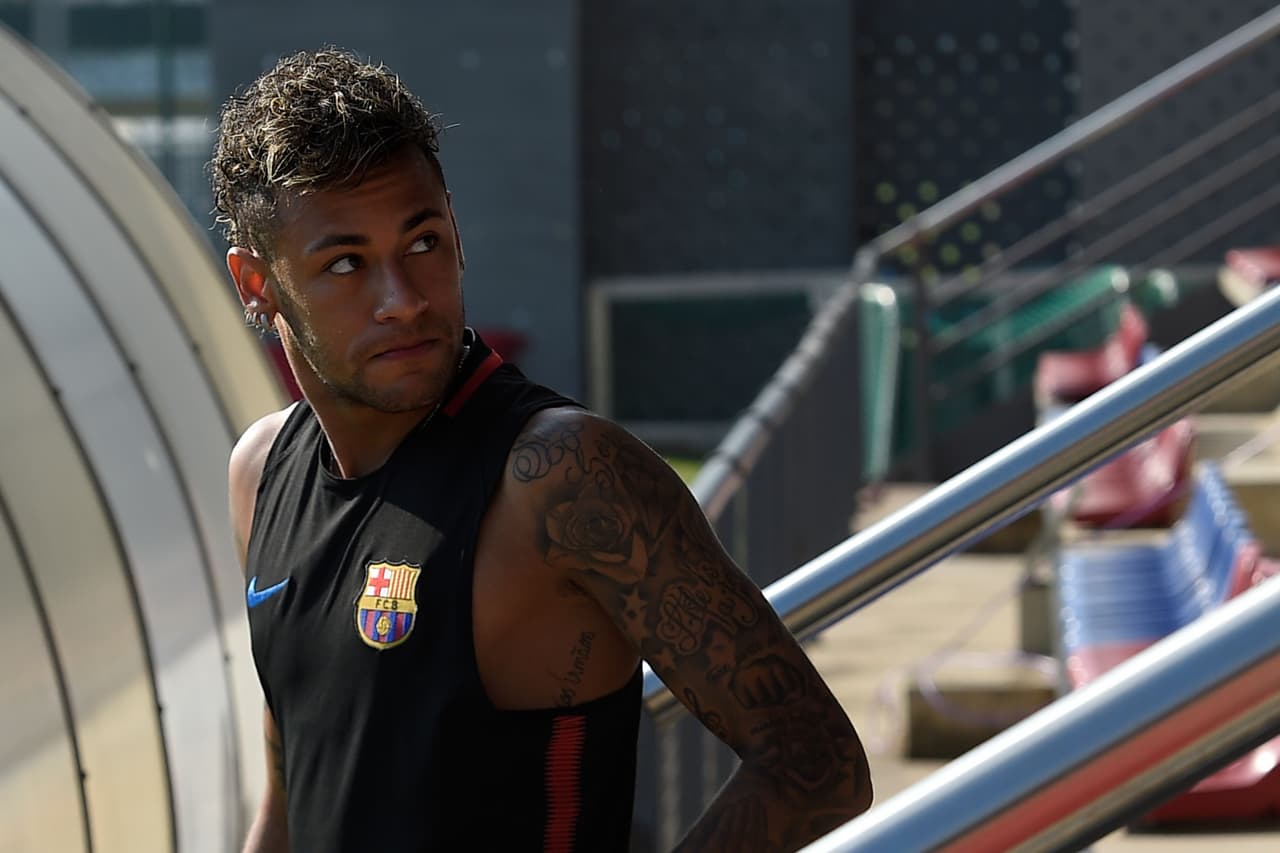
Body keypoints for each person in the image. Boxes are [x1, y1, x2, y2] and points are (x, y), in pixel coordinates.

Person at [213, 47, 872, 853]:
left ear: (456, 230)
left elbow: (814, 762)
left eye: (422, 241)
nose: (403, 299)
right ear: (258, 285)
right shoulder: (261, 473)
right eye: (346, 263)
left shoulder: (563, 475)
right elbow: (291, 796)